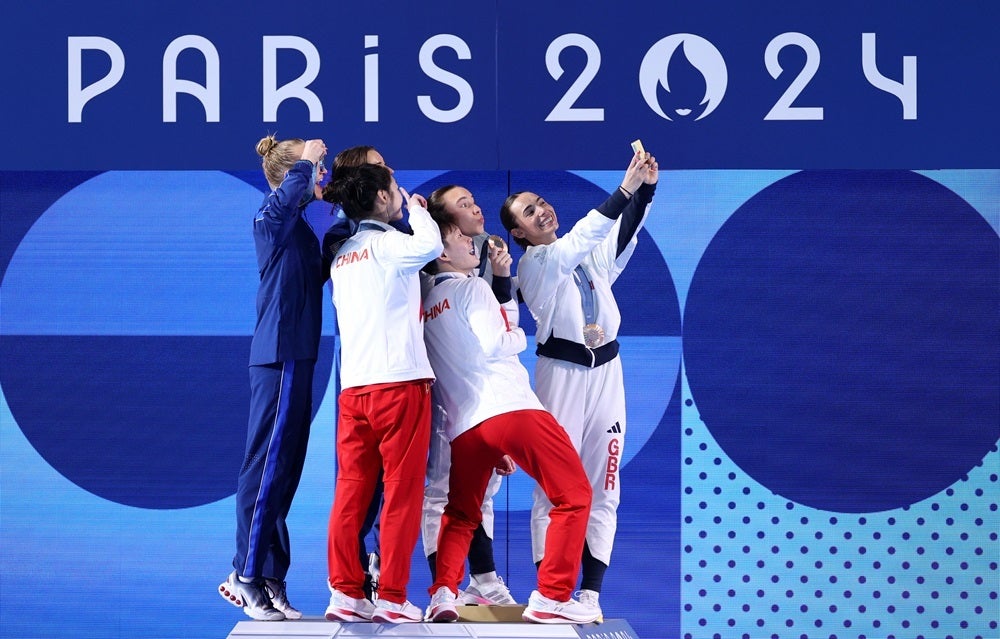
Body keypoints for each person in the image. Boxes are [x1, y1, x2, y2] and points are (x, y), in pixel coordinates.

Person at [499, 149, 658, 619]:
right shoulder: (535, 267)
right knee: (554, 487)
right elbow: (584, 237)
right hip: (561, 377)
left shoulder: (585, 255)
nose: (542, 209)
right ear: (518, 234)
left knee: (605, 486)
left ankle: (588, 596)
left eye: (541, 202)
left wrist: (645, 189)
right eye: (529, 212)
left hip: (608, 373)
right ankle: (549, 593)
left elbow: (620, 234)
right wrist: (624, 189)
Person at [418, 211, 599, 625]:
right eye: (462, 239)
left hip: (466, 427)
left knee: (462, 514)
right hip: (511, 406)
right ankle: (553, 595)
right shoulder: (474, 290)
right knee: (574, 496)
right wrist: (522, 336)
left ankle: (443, 593)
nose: (471, 243)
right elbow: (494, 345)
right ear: (442, 254)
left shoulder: (425, 306)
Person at [323, 163, 442, 624]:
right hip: (399, 385)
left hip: (354, 390)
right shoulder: (392, 243)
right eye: (394, 190)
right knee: (402, 491)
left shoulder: (341, 255)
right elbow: (430, 245)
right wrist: (418, 210)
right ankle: (392, 594)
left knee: (351, 491)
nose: (400, 194)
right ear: (379, 199)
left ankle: (346, 592)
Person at [218, 135, 328, 621]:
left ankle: (268, 576)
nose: (321, 175)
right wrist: (306, 161)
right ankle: (242, 575)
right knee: (264, 468)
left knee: (284, 470)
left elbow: (315, 274)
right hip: (278, 355)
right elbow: (286, 197)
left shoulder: (298, 227)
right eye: (315, 169)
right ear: (292, 175)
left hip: (299, 357)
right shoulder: (270, 217)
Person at [420, 185, 518, 606]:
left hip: (484, 397)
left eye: (473, 200)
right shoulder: (426, 268)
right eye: (462, 205)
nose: (475, 206)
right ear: (443, 227)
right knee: (440, 492)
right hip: (443, 395)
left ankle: (483, 580)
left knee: (482, 491)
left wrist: (500, 279)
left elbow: (493, 323)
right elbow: (495, 337)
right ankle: (446, 587)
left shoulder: (483, 255)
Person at [319, 145, 408, 603]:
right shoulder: (342, 238)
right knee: (363, 482)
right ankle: (359, 583)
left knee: (400, 482)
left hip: (413, 358)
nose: (389, 170)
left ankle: (373, 580)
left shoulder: (400, 226)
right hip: (372, 370)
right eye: (379, 168)